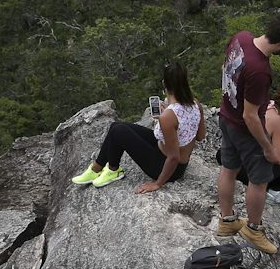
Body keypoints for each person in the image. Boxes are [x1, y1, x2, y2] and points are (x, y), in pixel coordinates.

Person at [213, 14, 280, 253]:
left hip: (226, 116)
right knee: (260, 180)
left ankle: (227, 222)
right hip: (245, 129)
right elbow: (250, 116)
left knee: (228, 170)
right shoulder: (260, 70)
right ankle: (253, 229)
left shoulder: (240, 38)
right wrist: (266, 147)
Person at [71, 63, 207, 192]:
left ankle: (113, 170)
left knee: (119, 132)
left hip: (167, 167)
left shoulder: (169, 116)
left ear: (164, 84)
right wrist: (170, 120)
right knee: (116, 126)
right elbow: (200, 136)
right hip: (169, 154)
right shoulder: (195, 104)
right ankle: (97, 168)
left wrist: (157, 183)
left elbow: (174, 157)